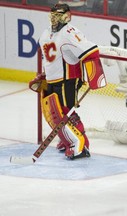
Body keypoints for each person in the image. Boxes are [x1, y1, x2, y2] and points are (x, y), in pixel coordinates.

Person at [29, 3, 103, 159]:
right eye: (52, 16)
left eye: (58, 16)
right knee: (54, 113)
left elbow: (91, 51)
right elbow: (48, 59)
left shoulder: (69, 32)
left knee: (66, 112)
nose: (54, 19)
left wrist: (96, 77)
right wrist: (44, 75)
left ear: (66, 16)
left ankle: (80, 144)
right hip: (52, 79)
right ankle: (67, 139)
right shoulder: (45, 34)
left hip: (67, 79)